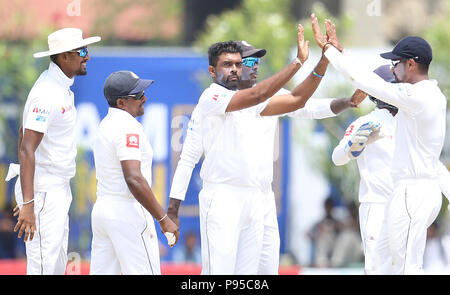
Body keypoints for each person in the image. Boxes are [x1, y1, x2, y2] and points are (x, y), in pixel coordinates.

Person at [167, 27, 365, 274]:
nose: (250, 66)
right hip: (223, 196)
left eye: (251, 61)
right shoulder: (213, 97)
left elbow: (302, 103)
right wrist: (172, 211)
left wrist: (327, 66)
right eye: (244, 61)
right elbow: (187, 160)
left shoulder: (264, 97)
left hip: (259, 197)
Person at [312, 14, 447, 274]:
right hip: (402, 194)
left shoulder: (418, 96)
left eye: (395, 64)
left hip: (412, 192)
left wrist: (331, 51)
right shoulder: (425, 98)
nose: (393, 72)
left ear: (410, 64)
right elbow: (340, 154)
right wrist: (355, 144)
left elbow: (368, 82)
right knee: (389, 267)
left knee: (406, 267)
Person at [4, 28, 100, 275]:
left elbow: (24, 138)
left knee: (55, 267)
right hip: (44, 193)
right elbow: (27, 148)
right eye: (81, 51)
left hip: (53, 190)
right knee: (44, 268)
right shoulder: (47, 93)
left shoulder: (61, 87)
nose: (86, 56)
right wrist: (29, 203)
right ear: (63, 57)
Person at [89, 71, 179, 275]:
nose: (144, 98)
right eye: (138, 96)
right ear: (121, 102)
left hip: (103, 209)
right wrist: (163, 218)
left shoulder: (106, 124)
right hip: (127, 211)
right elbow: (134, 178)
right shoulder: (128, 126)